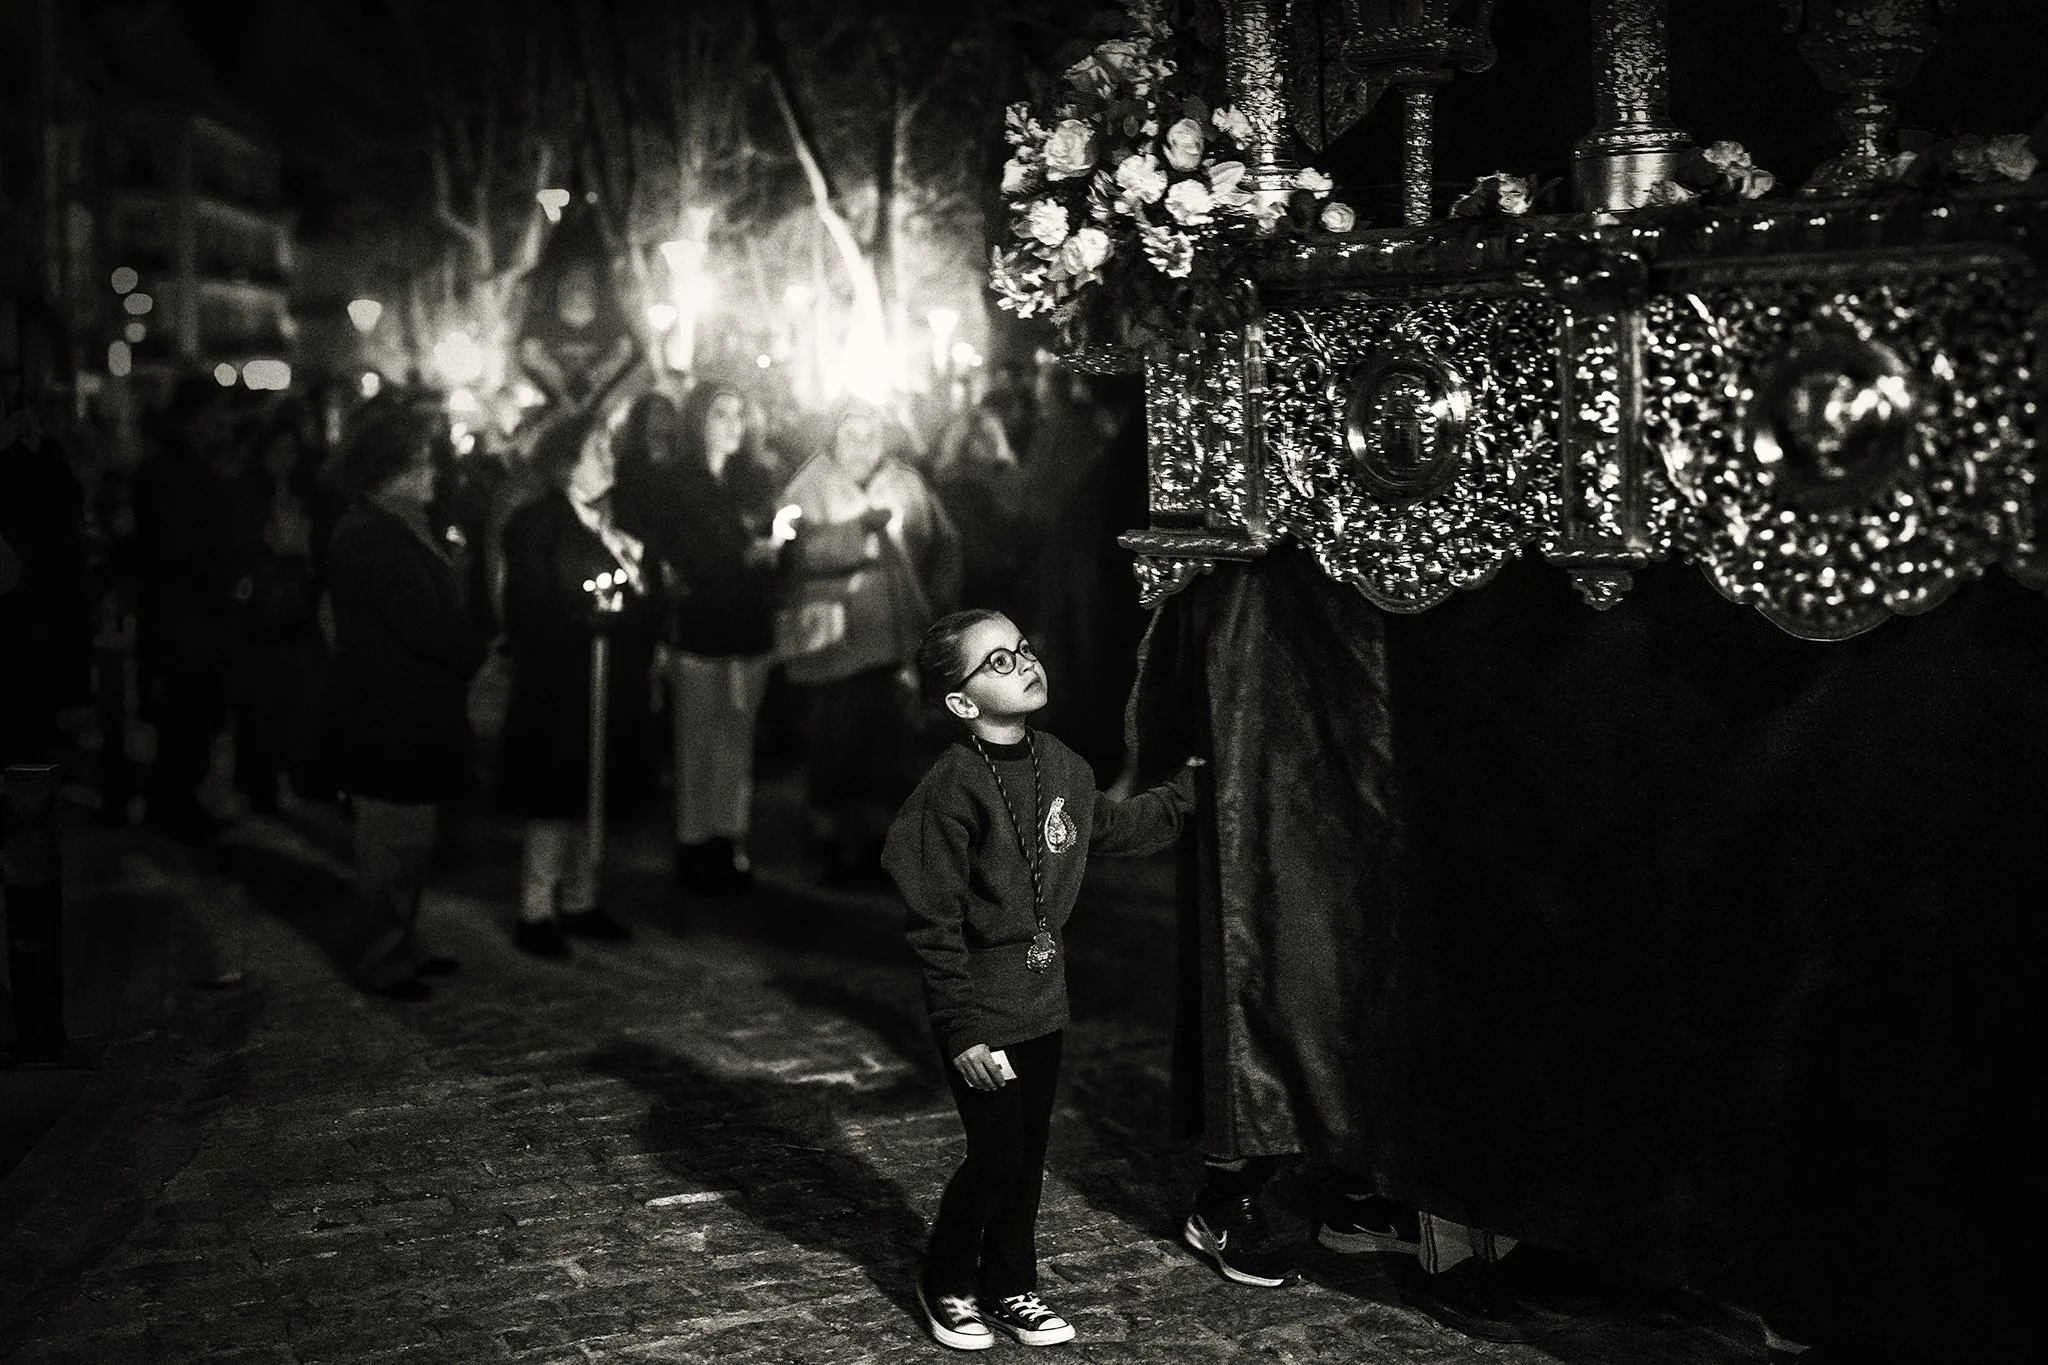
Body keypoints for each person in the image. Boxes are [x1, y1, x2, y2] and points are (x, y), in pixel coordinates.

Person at [884, 608, 1199, 1351]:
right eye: (997, 661)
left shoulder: (1061, 763)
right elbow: (933, 924)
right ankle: (945, 1279)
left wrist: (1192, 788)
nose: (1024, 662)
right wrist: (961, 1029)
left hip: (1043, 1003)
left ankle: (1009, 1285)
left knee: (1027, 1157)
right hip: (982, 1010)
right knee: (996, 1152)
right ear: (961, 702)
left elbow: (1116, 828)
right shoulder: (950, 789)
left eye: (1023, 648)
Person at [319, 395, 489, 1000]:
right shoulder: (373, 534)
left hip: (411, 708)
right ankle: (381, 957)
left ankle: (402, 941)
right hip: (388, 711)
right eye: (421, 461)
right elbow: (423, 623)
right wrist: (470, 646)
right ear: (390, 468)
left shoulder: (400, 524)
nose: (433, 472)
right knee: (391, 843)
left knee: (411, 840)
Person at [496, 408, 659, 956]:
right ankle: (536, 908)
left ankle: (581, 898)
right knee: (555, 794)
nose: (610, 460)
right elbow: (526, 605)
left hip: (609, 682)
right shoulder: (537, 523)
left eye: (610, 448)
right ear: (567, 463)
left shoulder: (615, 520)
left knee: (594, 790)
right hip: (560, 685)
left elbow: (638, 594)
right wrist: (580, 619)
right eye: (598, 451)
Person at [613, 383, 787, 894]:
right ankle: (693, 841)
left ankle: (728, 838)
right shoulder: (675, 482)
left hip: (747, 627)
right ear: (698, 422)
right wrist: (737, 557)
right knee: (696, 738)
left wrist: (775, 551)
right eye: (720, 414)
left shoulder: (755, 479)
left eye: (738, 414)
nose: (733, 424)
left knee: (737, 737)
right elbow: (671, 551)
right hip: (698, 626)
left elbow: (776, 542)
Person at [782, 400, 959, 884]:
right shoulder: (808, 486)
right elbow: (793, 550)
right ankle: (828, 838)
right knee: (835, 739)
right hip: (835, 642)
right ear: (834, 438)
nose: (862, 447)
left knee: (887, 740)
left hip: (894, 637)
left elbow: (944, 542)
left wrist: (939, 597)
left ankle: (879, 841)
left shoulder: (906, 483)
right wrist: (856, 532)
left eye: (871, 436)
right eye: (852, 436)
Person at [131, 379, 263, 839]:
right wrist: (227, 576)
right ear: (199, 417)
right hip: (188, 619)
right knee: (188, 714)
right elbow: (179, 551)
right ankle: (172, 808)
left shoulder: (178, 470)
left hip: (188, 616)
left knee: (193, 716)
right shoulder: (173, 475)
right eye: (219, 412)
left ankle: (177, 802)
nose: (226, 422)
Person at [232, 418, 321, 814]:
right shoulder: (248, 496)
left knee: (292, 697)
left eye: (291, 451)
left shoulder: (305, 496)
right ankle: (258, 783)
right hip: (261, 611)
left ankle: (284, 776)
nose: (284, 459)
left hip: (296, 609)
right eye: (277, 450)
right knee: (261, 700)